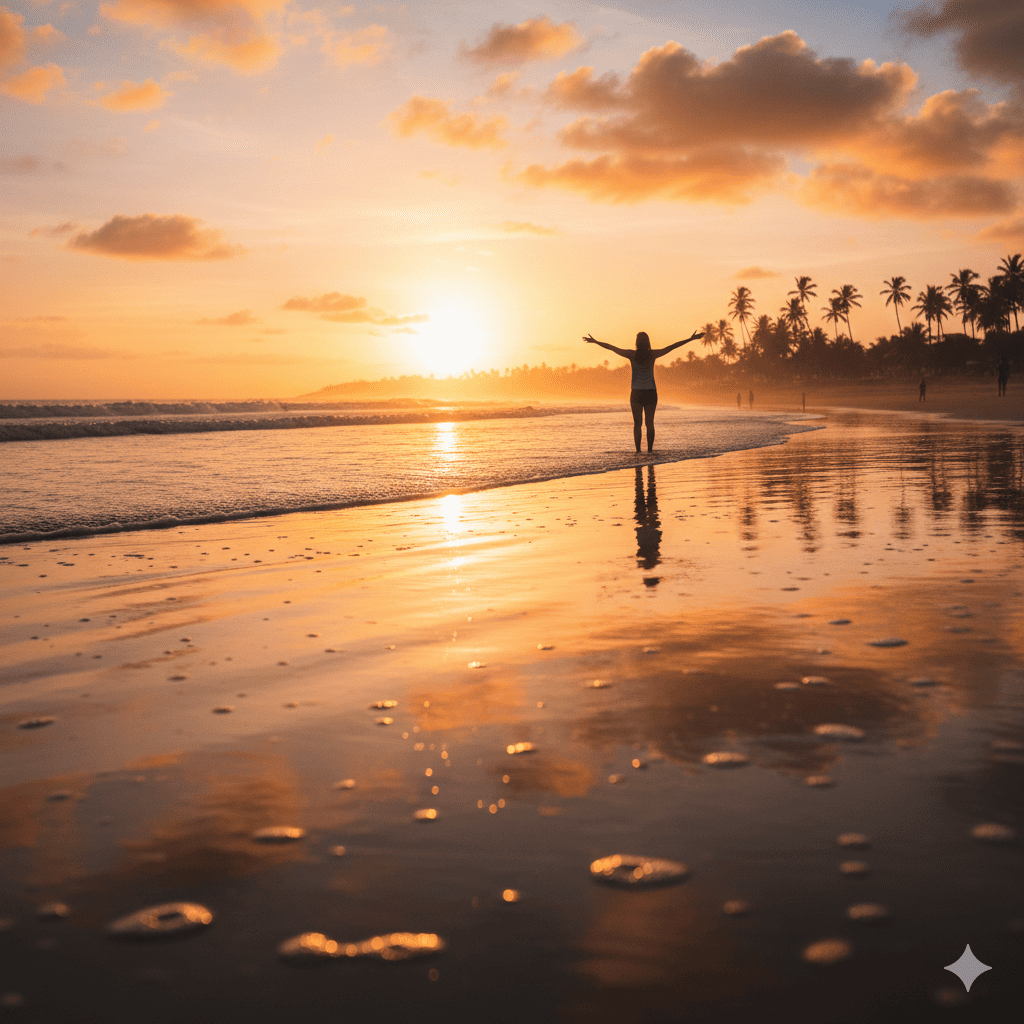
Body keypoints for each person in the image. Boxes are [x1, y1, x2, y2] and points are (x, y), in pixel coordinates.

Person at [584, 329, 703, 453]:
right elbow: (672, 347)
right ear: (648, 342)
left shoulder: (632, 355)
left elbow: (611, 348)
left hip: (636, 393)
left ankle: (638, 452)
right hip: (651, 393)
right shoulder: (653, 354)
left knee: (637, 425)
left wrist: (595, 341)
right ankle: (650, 451)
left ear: (636, 342)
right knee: (650, 423)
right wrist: (690, 339)